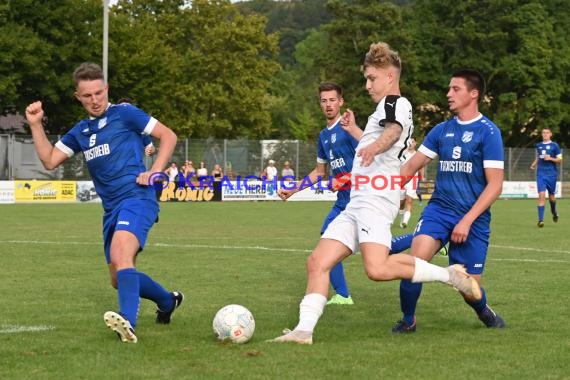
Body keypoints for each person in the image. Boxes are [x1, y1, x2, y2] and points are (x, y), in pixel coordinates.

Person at [270, 43, 480, 345]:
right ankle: (303, 331)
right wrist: (358, 133)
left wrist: (373, 147)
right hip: (357, 201)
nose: (367, 85)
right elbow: (382, 139)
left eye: (372, 78)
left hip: (375, 200)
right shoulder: (381, 110)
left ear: (389, 78)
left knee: (377, 269)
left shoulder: (397, 102)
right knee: (317, 262)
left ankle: (451, 276)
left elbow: (392, 134)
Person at [25, 62, 183, 344]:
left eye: (99, 93)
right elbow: (49, 160)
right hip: (111, 210)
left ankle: (128, 325)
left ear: (106, 89)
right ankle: (167, 301)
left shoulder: (125, 114)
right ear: (78, 97)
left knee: (122, 254)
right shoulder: (80, 132)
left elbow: (168, 135)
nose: (94, 100)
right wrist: (36, 125)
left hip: (137, 198)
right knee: (118, 277)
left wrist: (155, 169)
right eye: (87, 95)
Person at [394, 69, 506, 334]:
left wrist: (467, 221)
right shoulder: (441, 130)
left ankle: (484, 312)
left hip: (473, 218)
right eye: (449, 88)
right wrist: (374, 192)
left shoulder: (488, 132)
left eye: (455, 89)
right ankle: (408, 320)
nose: (448, 94)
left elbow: (495, 185)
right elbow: (409, 168)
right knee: (414, 263)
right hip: (439, 210)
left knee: (467, 287)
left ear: (473, 94)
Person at [277, 82, 362, 306]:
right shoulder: (324, 136)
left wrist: (344, 179)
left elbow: (369, 165)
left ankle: (429, 239)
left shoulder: (350, 130)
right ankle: (343, 295)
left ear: (341, 102)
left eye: (332, 100)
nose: (328, 105)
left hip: (363, 199)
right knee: (328, 238)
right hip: (343, 201)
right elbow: (320, 172)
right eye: (324, 101)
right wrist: (294, 189)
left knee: (380, 251)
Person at [530, 128, 562, 227]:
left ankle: (554, 212)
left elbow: (559, 160)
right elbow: (539, 156)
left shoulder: (555, 146)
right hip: (541, 174)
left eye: (547, 133)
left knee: (551, 196)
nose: (545, 134)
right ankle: (541, 220)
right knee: (541, 195)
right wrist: (534, 164)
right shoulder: (539, 145)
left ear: (551, 134)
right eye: (543, 133)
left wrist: (550, 158)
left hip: (551, 175)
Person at [398, 138, 424, 228]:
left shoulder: (417, 155)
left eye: (412, 142)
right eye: (409, 142)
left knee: (409, 201)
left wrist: (422, 177)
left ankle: (405, 222)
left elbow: (421, 167)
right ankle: (401, 218)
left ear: (415, 143)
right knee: (401, 203)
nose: (410, 144)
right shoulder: (402, 153)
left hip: (413, 180)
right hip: (401, 180)